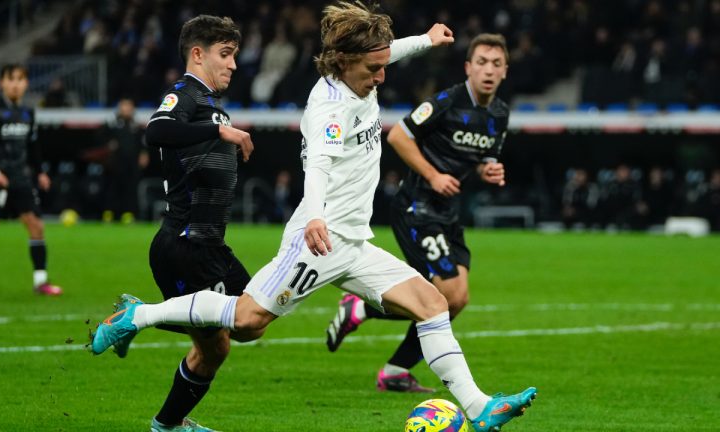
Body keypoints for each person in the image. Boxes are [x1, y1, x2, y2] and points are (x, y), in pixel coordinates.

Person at [91, 4, 536, 432]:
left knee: (433, 304)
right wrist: (316, 219)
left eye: (383, 66)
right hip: (319, 241)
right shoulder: (329, 109)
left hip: (354, 243)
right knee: (247, 321)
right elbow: (318, 166)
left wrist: (425, 40)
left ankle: (480, 407)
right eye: (373, 70)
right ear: (345, 62)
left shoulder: (360, 70)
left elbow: (384, 54)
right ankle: (139, 316)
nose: (381, 77)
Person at [323, 33, 513, 394]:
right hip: (416, 206)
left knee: (456, 299)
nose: (489, 70)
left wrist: (490, 170)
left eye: (497, 64)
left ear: (505, 71)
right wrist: (433, 175)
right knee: (444, 295)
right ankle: (364, 314)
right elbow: (399, 137)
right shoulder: (447, 101)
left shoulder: (499, 114)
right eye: (482, 62)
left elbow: (484, 159)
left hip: (447, 212)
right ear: (468, 68)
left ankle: (393, 366)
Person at [96, 15, 254, 432]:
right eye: (225, 54)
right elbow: (157, 130)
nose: (233, 65)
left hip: (205, 245)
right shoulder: (183, 94)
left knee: (227, 338)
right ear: (197, 54)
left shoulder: (207, 105)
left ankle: (167, 424)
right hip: (187, 246)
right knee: (241, 324)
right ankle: (139, 314)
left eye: (234, 55)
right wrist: (222, 133)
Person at [0, 64, 62, 297]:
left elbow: (33, 146)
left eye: (20, 79)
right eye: (11, 79)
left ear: (26, 83)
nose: (16, 83)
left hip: (21, 180)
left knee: (36, 225)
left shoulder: (28, 113)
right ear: (2, 83)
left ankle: (41, 281)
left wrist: (40, 172)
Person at [100, 98, 149, 224]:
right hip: (115, 163)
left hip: (131, 163)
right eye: (124, 106)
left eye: (129, 106)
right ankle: (108, 213)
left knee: (130, 189)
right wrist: (108, 146)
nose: (126, 109)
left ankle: (128, 214)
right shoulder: (112, 124)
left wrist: (144, 154)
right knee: (112, 188)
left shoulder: (136, 126)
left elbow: (142, 143)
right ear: (119, 108)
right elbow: (102, 140)